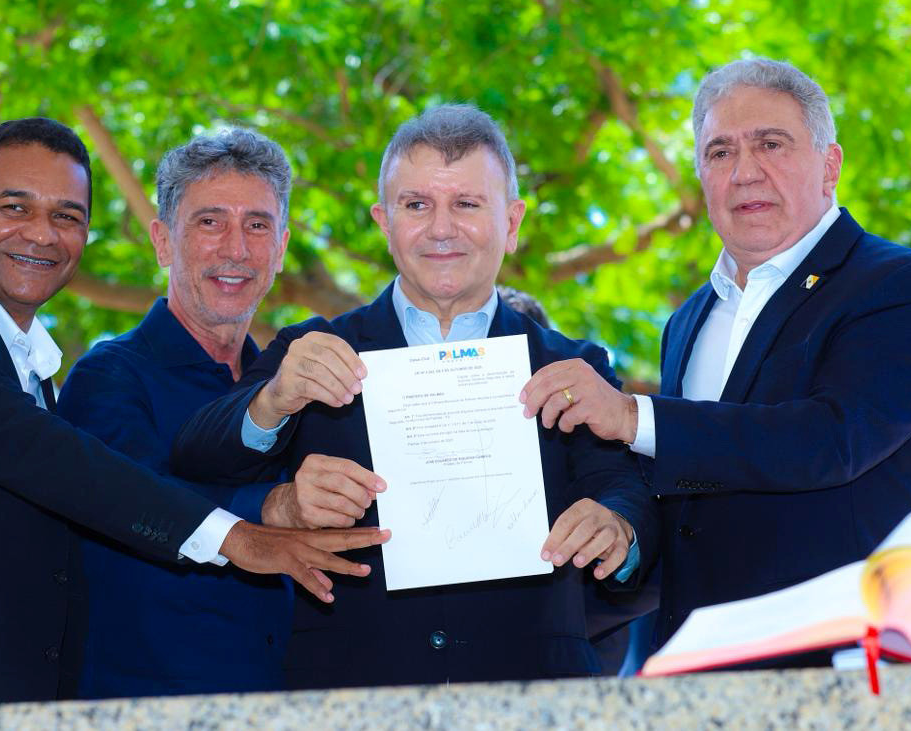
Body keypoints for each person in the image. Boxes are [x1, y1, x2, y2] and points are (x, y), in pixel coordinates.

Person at [0, 118, 386, 711]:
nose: (41, 234)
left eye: (67, 216)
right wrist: (246, 532)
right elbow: (64, 466)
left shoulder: (31, 369)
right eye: (15, 208)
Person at [172, 104, 657, 689]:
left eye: (467, 204)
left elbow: (626, 489)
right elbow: (194, 457)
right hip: (351, 693)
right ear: (385, 221)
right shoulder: (312, 351)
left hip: (531, 691)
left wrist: (619, 526)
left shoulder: (572, 366)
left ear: (512, 222)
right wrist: (272, 400)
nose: (441, 229)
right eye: (417, 205)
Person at [520, 58, 911, 651]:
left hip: (850, 665)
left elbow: (831, 441)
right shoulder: (687, 320)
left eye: (771, 144)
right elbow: (690, 495)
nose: (745, 172)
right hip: (697, 663)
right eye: (720, 152)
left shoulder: (908, 288)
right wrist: (623, 529)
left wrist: (632, 416)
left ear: (830, 165)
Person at [58, 128, 300, 696]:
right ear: (163, 242)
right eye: (210, 222)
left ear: (281, 248)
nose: (236, 249)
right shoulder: (107, 379)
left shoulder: (296, 391)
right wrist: (275, 507)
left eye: (257, 225)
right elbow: (144, 506)